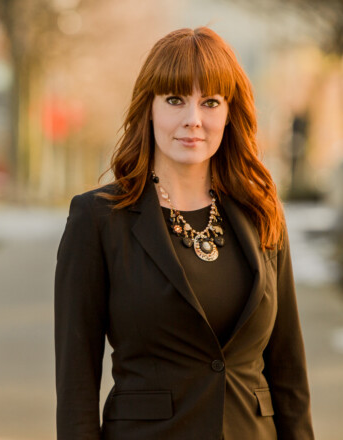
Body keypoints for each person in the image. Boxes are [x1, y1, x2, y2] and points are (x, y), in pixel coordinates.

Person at [54, 27, 314, 440]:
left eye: (210, 102)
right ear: (150, 108)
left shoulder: (261, 211)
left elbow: (288, 371)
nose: (193, 119)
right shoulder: (98, 219)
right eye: (175, 100)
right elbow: (75, 386)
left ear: (229, 113)